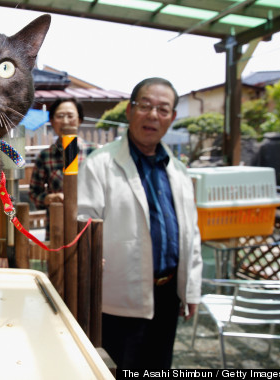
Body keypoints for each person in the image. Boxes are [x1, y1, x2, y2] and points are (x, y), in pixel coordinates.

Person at [77, 78, 202, 369]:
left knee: (159, 366)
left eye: (163, 109)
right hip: (120, 293)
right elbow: (82, 222)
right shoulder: (100, 164)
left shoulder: (179, 170)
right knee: (121, 367)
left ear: (172, 118)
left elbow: (191, 235)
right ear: (130, 111)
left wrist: (191, 288)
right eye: (145, 106)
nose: (153, 115)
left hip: (168, 294)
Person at [29, 98, 96, 238]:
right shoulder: (45, 156)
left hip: (88, 229)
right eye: (60, 116)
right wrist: (50, 198)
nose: (65, 121)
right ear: (52, 121)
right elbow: (34, 193)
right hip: (56, 229)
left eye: (70, 116)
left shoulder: (94, 152)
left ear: (80, 120)